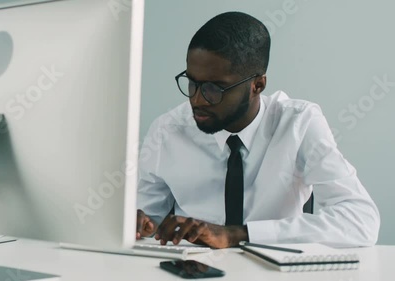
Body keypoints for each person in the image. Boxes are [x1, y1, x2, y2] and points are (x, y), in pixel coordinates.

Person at [135, 11, 380, 248]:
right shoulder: (167, 131)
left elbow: (361, 221)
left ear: (257, 85)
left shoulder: (299, 123)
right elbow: (147, 220)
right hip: (191, 270)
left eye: (214, 89)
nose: (197, 100)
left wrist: (238, 235)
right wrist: (139, 224)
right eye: (192, 83)